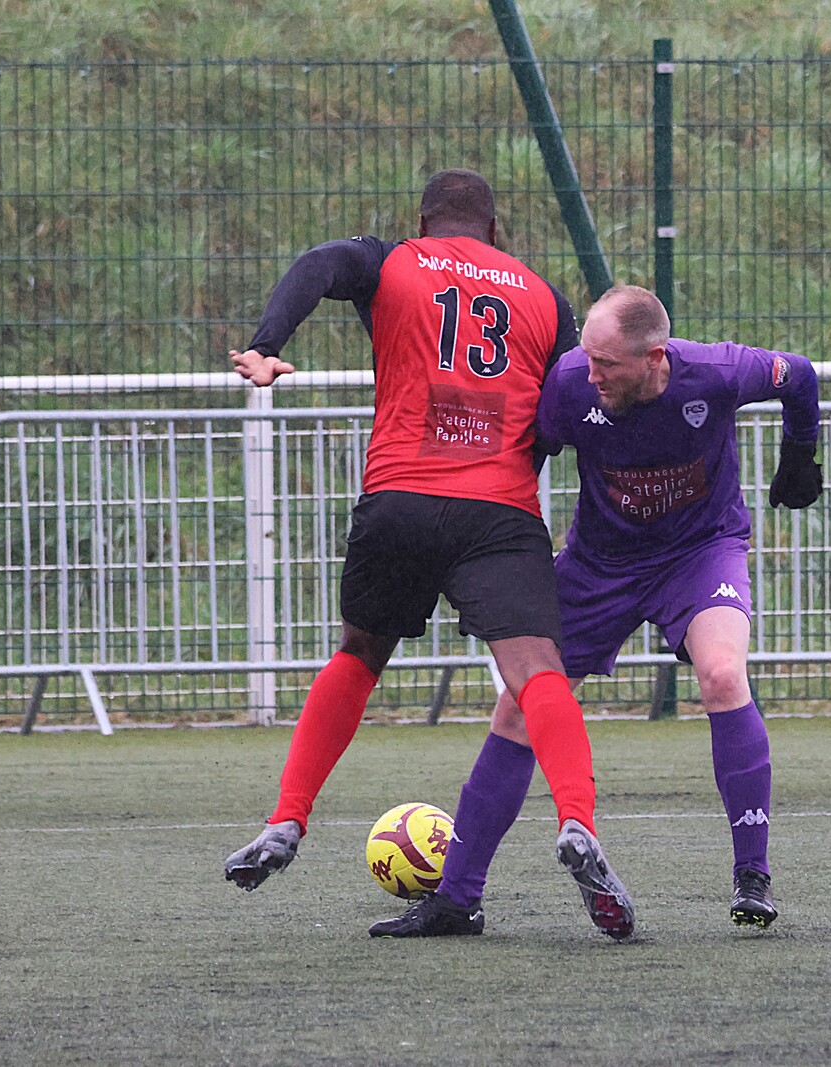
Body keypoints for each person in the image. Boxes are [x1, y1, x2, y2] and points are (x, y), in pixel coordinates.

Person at [221, 169, 635, 942]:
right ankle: (578, 821)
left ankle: (286, 819)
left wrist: (266, 345)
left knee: (358, 656)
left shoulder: (393, 261)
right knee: (537, 673)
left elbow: (318, 264)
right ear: (496, 230)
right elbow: (562, 407)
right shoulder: (544, 298)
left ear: (423, 222)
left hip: (400, 499)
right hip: (500, 508)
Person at [374, 284, 822, 938]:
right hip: (599, 564)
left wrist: (800, 455)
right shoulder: (569, 384)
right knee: (519, 704)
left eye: (606, 363)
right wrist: (482, 546)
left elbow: (799, 375)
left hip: (700, 553)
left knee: (723, 674)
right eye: (587, 357)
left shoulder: (718, 371)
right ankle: (457, 898)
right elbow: (521, 454)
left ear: (654, 358)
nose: (592, 373)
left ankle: (752, 875)